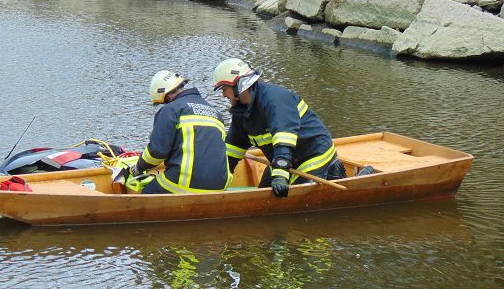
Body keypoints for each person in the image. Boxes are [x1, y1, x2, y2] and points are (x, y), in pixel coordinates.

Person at [212, 58, 345, 198]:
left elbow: (284, 139)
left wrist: (280, 173)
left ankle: (336, 173)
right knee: (262, 198)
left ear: (237, 85)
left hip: (313, 156)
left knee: (286, 201)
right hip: (283, 160)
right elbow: (232, 150)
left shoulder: (274, 98)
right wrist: (217, 180)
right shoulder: (241, 112)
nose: (223, 95)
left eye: (224, 89)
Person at [125, 70, 231, 194]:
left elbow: (157, 152)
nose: (164, 105)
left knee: (145, 195)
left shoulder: (171, 109)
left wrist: (138, 168)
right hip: (220, 185)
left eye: (164, 102)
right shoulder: (215, 113)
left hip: (186, 183)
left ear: (168, 97)